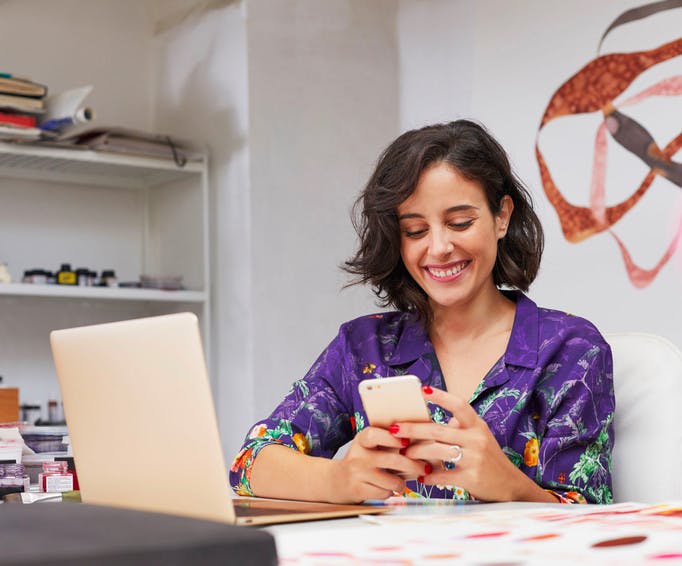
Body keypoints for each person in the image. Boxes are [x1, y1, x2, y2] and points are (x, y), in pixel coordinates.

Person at [230, 120, 614, 505]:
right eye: (415, 231)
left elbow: (593, 521)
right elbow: (250, 463)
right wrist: (339, 478)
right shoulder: (365, 348)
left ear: (502, 217)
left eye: (460, 222)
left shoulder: (570, 349)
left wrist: (511, 486)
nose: (439, 247)